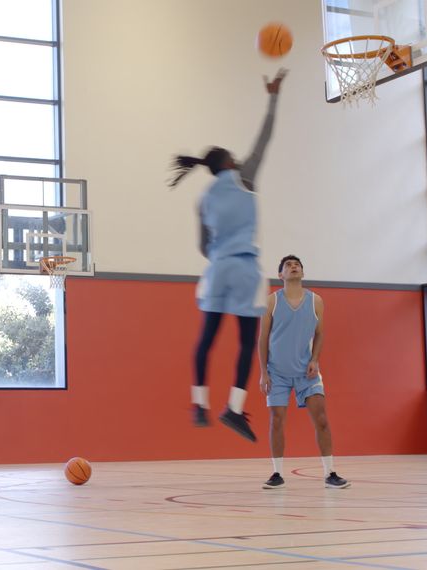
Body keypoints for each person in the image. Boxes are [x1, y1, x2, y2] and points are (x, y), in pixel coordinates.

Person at [169, 68, 288, 442]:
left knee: (206, 338)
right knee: (247, 342)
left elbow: (202, 247)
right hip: (245, 270)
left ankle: (199, 404)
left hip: (217, 269)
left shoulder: (204, 199)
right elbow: (265, 137)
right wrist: (273, 96)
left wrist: (220, 255)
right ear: (231, 163)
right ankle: (234, 409)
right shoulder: (245, 177)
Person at [258, 255, 350, 489]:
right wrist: (264, 373)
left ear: (302, 272)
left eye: (297, 264)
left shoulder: (316, 301)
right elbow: (263, 339)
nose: (293, 267)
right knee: (277, 421)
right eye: (288, 265)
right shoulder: (271, 301)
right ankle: (277, 474)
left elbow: (320, 334)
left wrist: (315, 359)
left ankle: (330, 473)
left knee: (322, 419)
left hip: (306, 373)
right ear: (280, 275)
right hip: (277, 372)